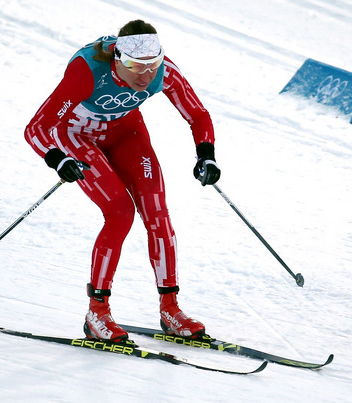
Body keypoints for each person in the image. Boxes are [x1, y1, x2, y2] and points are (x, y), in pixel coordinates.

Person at [24, 20, 221, 343]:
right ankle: (97, 313)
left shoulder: (162, 72)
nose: (145, 76)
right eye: (134, 65)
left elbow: (198, 114)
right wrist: (57, 159)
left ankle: (170, 308)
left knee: (157, 211)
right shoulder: (87, 72)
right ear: (117, 57)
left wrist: (206, 154)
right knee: (120, 213)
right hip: (76, 135)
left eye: (152, 65)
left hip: (125, 132)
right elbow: (36, 128)